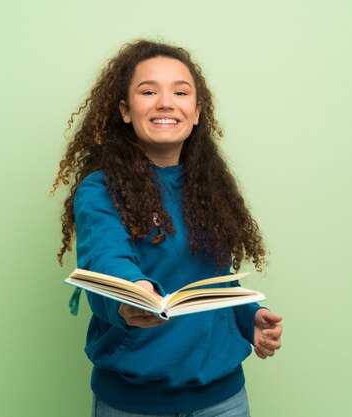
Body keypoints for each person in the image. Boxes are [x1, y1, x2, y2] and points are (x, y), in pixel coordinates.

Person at [51, 39, 283, 416]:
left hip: (223, 400)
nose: (165, 102)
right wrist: (133, 295)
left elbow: (216, 277)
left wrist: (247, 318)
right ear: (125, 111)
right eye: (148, 91)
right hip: (133, 403)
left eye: (180, 92)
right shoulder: (100, 188)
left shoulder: (209, 185)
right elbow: (106, 256)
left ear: (196, 113)